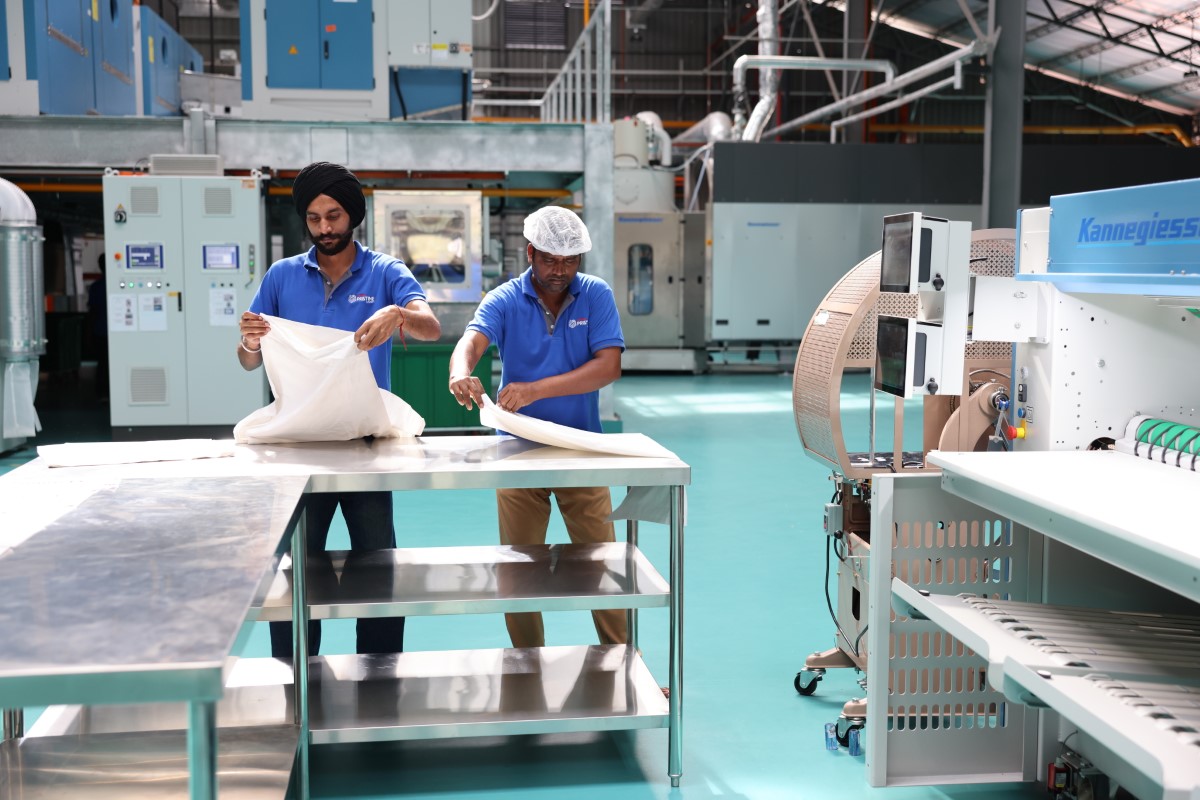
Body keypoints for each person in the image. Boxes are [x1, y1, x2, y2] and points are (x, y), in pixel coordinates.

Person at [237, 161, 441, 659]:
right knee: (297, 572)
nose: (324, 228)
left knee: (377, 570)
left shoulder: (386, 272)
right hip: (297, 450)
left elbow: (431, 327)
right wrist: (248, 341)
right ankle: (294, 677)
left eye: (333, 216)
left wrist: (398, 313)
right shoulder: (283, 276)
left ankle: (380, 672)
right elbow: (247, 361)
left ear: (353, 216)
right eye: (313, 218)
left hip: (364, 449)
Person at [448, 206, 626, 649]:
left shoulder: (596, 296)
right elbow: (470, 342)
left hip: (580, 450)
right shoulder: (505, 299)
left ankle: (624, 661)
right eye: (549, 259)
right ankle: (529, 666)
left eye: (569, 262)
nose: (559, 271)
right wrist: (458, 372)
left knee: (602, 563)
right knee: (519, 569)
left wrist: (534, 391)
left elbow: (608, 367)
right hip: (518, 454)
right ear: (530, 252)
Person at [86, 253, 108, 401]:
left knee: (102, 364)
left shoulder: (96, 287)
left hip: (100, 331)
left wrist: (89, 334)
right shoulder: (108, 286)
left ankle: (103, 394)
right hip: (113, 333)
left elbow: (92, 312)